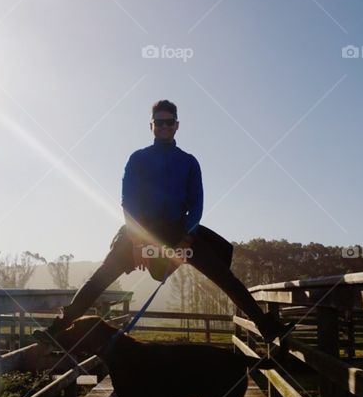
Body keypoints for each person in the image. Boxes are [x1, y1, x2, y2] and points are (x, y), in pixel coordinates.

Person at [34, 99, 291, 349]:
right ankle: (57, 328)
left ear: (177, 125)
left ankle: (266, 326)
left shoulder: (189, 161)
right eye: (159, 123)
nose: (164, 127)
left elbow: (196, 204)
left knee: (225, 277)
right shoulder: (138, 158)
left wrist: (185, 241)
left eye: (169, 123)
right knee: (99, 279)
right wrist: (137, 243)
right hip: (140, 233)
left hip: (179, 233)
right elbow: (128, 202)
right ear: (151, 126)